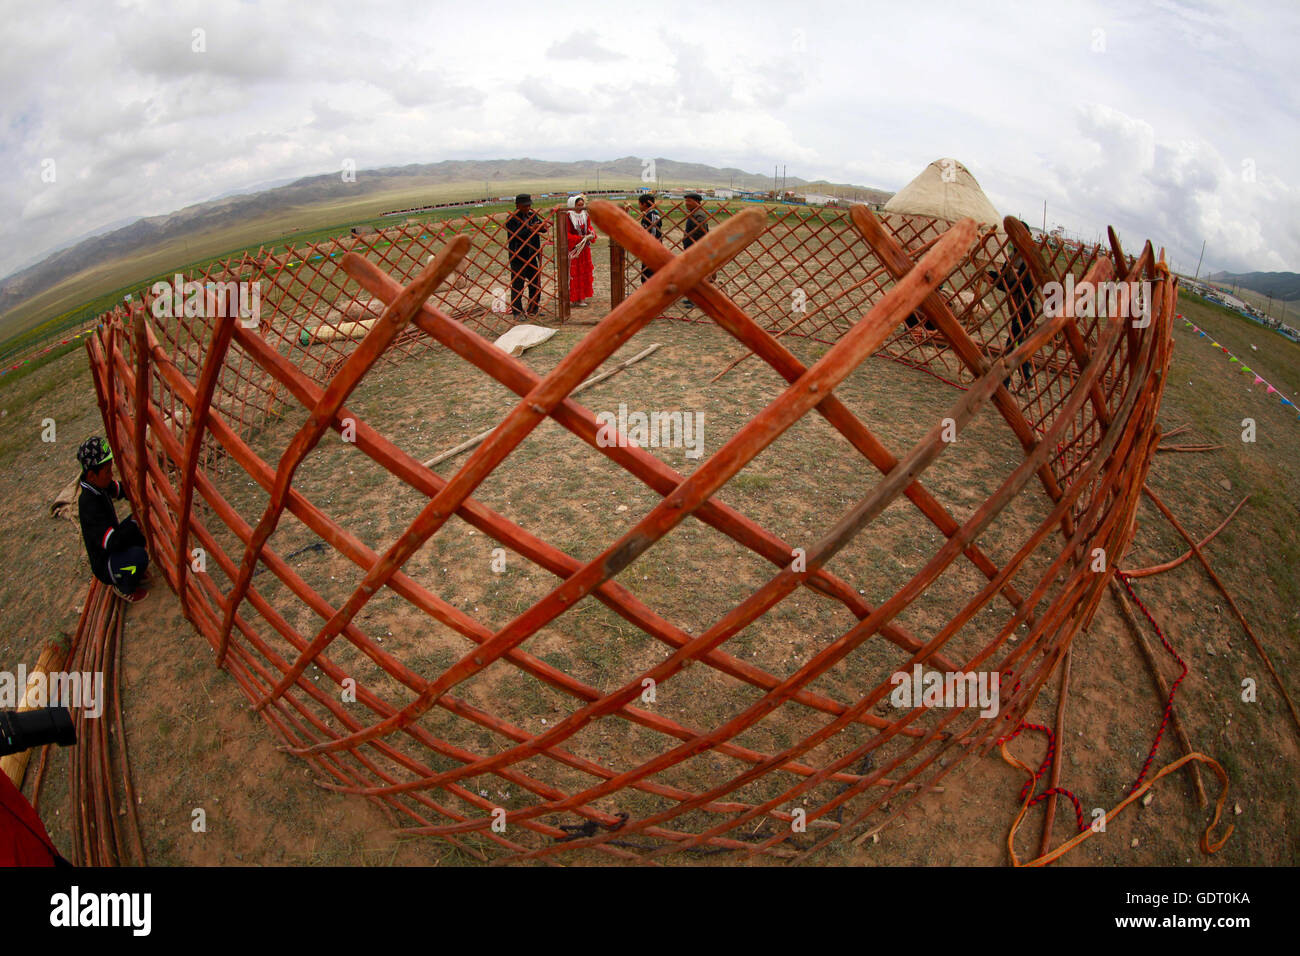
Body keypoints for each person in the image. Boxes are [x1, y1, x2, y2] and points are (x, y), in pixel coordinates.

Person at [76, 436, 149, 602]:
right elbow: (112, 542)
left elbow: (121, 490)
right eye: (107, 471)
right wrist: (136, 520)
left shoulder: (100, 485)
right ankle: (124, 586)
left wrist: (139, 493)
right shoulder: (88, 505)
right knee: (139, 556)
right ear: (92, 475)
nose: (111, 475)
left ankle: (129, 569)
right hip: (105, 562)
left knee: (138, 530)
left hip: (113, 545)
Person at [985, 229, 1039, 391]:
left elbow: (1020, 286)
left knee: (1013, 346)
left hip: (1025, 311)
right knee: (1018, 345)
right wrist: (991, 275)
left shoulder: (1028, 260)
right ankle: (1027, 380)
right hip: (1015, 309)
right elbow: (1004, 277)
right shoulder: (1012, 257)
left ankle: (1004, 384)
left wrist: (998, 282)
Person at [505, 193, 549, 317]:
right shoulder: (511, 219)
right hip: (518, 256)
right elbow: (516, 235)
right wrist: (530, 228)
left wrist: (541, 226)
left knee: (536, 283)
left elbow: (543, 229)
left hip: (531, 254)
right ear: (517, 205)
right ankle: (517, 312)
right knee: (518, 285)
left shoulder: (532, 215)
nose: (527, 208)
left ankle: (533, 309)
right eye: (525, 206)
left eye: (529, 205)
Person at [565, 194, 597, 308]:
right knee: (575, 273)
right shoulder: (568, 216)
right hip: (575, 250)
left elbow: (589, 227)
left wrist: (591, 233)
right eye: (578, 205)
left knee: (584, 272)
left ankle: (582, 297)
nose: (581, 208)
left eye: (582, 205)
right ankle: (574, 298)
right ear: (573, 205)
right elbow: (567, 233)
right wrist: (580, 238)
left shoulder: (585, 215)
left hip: (584, 249)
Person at [681, 192, 709, 308]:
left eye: (689, 201)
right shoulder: (693, 213)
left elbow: (701, 231)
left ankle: (697, 299)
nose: (686, 203)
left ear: (697, 202)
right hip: (691, 248)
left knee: (696, 274)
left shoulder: (699, 214)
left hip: (696, 248)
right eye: (686, 201)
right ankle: (692, 297)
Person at [637, 193, 663, 285]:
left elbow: (654, 232)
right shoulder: (652, 214)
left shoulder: (651, 215)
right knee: (648, 272)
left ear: (644, 204)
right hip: (650, 247)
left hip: (652, 248)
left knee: (649, 274)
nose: (638, 206)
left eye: (639, 203)